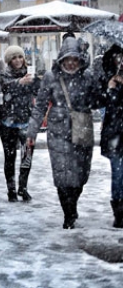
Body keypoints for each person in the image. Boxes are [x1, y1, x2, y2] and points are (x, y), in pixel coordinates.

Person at [25, 36, 104, 229]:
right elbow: (40, 106)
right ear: (61, 59)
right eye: (67, 59)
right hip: (57, 131)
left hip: (82, 128)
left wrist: (103, 87)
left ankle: (73, 204)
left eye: (74, 59)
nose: (70, 63)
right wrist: (31, 132)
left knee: (81, 174)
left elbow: (97, 102)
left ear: (80, 60)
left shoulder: (87, 77)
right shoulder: (51, 78)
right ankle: (68, 214)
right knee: (62, 175)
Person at [0, 45, 40, 202]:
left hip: (26, 123)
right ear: (9, 60)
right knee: (10, 157)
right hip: (8, 124)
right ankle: (11, 190)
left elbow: (39, 91)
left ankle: (23, 188)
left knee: (27, 156)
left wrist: (35, 81)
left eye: (20, 57)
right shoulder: (4, 75)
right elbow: (7, 88)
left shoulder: (31, 73)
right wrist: (21, 82)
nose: (18, 60)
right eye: (14, 58)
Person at [98, 44, 123, 228]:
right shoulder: (107, 79)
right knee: (118, 173)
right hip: (116, 134)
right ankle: (119, 213)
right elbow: (102, 103)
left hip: (116, 133)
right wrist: (111, 88)